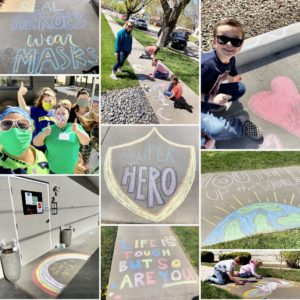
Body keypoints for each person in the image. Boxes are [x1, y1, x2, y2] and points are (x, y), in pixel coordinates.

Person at [201, 18, 263, 143]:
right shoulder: (204, 65)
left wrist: (234, 80)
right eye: (223, 39)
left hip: (212, 93)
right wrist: (212, 99)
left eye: (235, 41)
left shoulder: (231, 59)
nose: (229, 44)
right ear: (214, 42)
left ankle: (213, 108)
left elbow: (231, 76)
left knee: (240, 88)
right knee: (217, 130)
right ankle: (240, 123)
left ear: (240, 46)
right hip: (201, 102)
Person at [33, 104, 90, 174]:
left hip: (73, 171)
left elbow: (86, 141)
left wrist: (77, 131)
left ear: (68, 115)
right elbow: (35, 143)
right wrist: (44, 134)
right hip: (52, 170)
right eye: (58, 113)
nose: (60, 115)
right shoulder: (48, 129)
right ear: (54, 115)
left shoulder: (76, 127)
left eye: (63, 114)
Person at [0, 107, 49, 174]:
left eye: (22, 125)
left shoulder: (40, 155)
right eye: (6, 125)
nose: (15, 132)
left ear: (31, 129)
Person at [17, 83, 56, 150]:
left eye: (50, 101)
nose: (48, 103)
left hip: (50, 146)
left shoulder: (55, 112)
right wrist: (20, 95)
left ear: (54, 101)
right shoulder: (37, 110)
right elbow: (24, 109)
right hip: (37, 145)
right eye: (45, 101)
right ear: (41, 101)